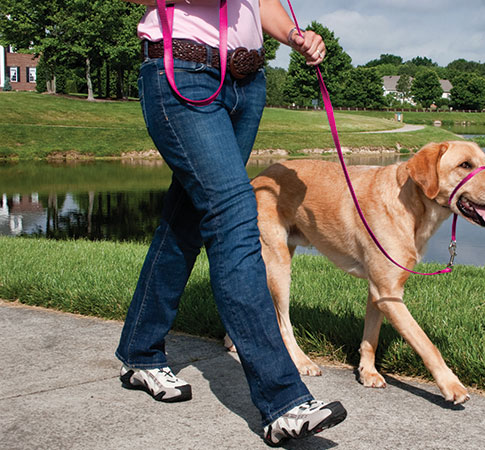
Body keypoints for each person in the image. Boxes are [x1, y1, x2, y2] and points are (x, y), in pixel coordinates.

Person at [116, 0, 347, 446]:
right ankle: (283, 401)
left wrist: (294, 36)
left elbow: (260, 4)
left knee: (185, 221)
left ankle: (140, 352)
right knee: (235, 218)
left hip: (246, 82)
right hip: (182, 72)